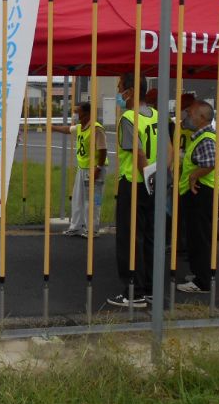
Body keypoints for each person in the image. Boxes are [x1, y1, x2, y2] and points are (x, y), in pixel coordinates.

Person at [108, 73, 159, 308]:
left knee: (130, 238)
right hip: (154, 183)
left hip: (135, 181)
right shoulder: (157, 116)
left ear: (129, 91)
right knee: (148, 236)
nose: (118, 92)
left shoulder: (129, 118)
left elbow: (137, 153)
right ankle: (148, 287)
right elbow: (168, 149)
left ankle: (133, 291)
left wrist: (146, 174)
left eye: (120, 87)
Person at [176, 101, 217, 294]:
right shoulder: (199, 137)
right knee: (195, 235)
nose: (187, 117)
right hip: (195, 192)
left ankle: (202, 282)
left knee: (200, 237)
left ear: (201, 117)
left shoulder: (206, 138)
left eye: (190, 113)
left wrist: (193, 176)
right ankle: (200, 274)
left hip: (200, 192)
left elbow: (210, 163)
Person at [53, 101, 107, 237]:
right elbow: (67, 129)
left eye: (78, 113)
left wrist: (98, 168)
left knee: (92, 201)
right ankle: (76, 227)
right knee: (78, 198)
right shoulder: (80, 127)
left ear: (87, 114)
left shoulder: (96, 129)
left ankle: (92, 229)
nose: (76, 115)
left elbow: (103, 150)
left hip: (95, 169)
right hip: (82, 168)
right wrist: (53, 127)